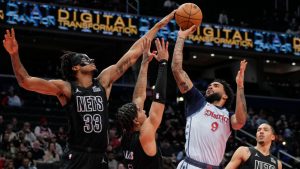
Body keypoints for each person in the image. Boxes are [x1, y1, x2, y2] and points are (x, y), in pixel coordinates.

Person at [3, 10, 175, 169]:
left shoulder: (103, 82)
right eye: (85, 59)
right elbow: (25, 81)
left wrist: (158, 26)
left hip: (100, 156)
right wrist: (14, 54)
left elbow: (132, 53)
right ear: (76, 68)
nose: (91, 58)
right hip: (77, 154)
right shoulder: (66, 88)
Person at [171, 25, 248, 169]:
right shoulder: (197, 101)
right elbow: (177, 70)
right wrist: (181, 38)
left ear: (225, 95)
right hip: (191, 165)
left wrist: (240, 86)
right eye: (210, 85)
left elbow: (241, 121)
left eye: (216, 85)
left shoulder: (228, 117)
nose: (210, 86)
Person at [116, 37, 169, 169]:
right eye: (139, 111)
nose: (143, 110)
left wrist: (145, 63)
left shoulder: (126, 133)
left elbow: (139, 96)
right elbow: (159, 100)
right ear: (135, 121)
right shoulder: (145, 134)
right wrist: (163, 63)